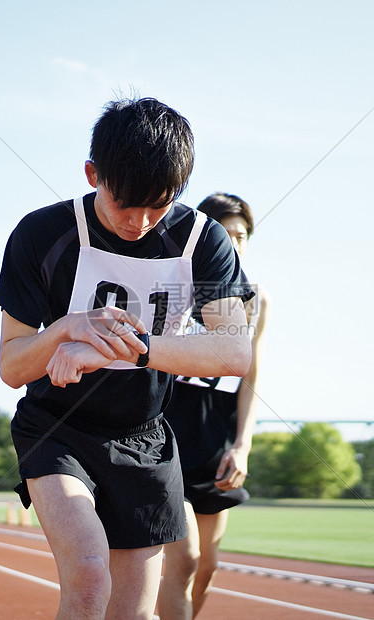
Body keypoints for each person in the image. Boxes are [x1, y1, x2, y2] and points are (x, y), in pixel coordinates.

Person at [0, 99, 255, 620]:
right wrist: (65, 330)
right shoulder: (42, 234)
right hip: (57, 427)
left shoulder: (204, 241)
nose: (139, 222)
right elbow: (12, 365)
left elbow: (233, 350)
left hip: (144, 434)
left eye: (157, 206)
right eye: (124, 205)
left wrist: (119, 349)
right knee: (90, 575)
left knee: (133, 613)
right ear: (93, 174)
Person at [158, 192, 270, 620]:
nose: (233, 243)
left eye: (241, 235)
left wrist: (242, 445)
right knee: (183, 559)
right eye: (223, 234)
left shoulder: (258, 300)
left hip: (215, 439)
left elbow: (251, 378)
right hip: (167, 434)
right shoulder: (176, 288)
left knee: (208, 565)